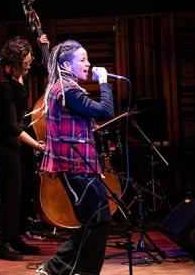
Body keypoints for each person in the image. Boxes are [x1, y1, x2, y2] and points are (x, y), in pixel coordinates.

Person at [36, 40, 115, 275]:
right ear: (66, 66)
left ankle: (83, 270)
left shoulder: (67, 88)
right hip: (74, 165)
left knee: (99, 219)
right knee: (97, 219)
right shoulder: (67, 91)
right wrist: (104, 83)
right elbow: (105, 111)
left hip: (83, 164)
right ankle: (56, 267)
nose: (88, 64)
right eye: (82, 59)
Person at [0, 36, 47, 261]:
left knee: (23, 192)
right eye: (27, 58)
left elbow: (46, 69)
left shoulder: (21, 74)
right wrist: (36, 144)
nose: (30, 61)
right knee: (10, 194)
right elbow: (10, 126)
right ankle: (3, 244)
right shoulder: (3, 86)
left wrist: (45, 45)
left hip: (21, 142)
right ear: (16, 61)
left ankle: (16, 238)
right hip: (8, 144)